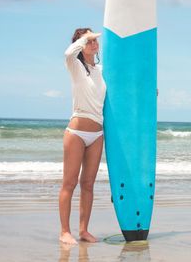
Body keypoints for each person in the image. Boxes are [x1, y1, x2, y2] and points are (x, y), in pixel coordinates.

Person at [59, 28, 106, 245]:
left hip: (97, 133)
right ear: (80, 44)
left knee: (88, 184)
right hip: (76, 132)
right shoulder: (75, 66)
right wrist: (83, 38)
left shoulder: (102, 70)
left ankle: (84, 230)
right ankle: (64, 232)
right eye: (89, 40)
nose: (94, 42)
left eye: (95, 39)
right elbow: (68, 53)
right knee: (69, 183)